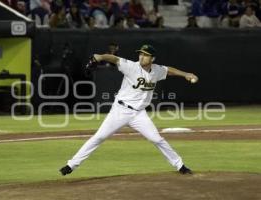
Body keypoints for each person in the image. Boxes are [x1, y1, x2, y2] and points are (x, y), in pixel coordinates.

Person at [60, 44, 198, 176]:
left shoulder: (156, 70)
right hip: (120, 110)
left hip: (139, 114)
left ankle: (180, 166)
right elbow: (114, 59)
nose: (141, 57)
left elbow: (169, 70)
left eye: (146, 55)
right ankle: (71, 165)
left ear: (152, 59)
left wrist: (186, 74)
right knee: (99, 137)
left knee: (157, 139)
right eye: (141, 54)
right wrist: (100, 56)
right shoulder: (131, 66)